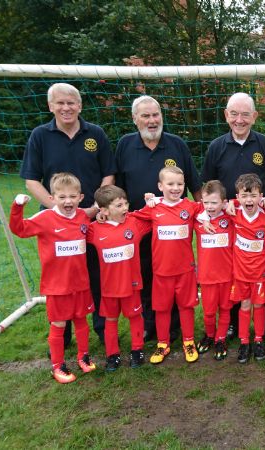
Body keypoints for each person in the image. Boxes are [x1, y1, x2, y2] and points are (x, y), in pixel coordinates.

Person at [20, 83, 115, 346]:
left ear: (80, 105)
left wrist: (95, 207)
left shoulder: (95, 133)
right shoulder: (40, 136)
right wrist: (57, 209)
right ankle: (62, 337)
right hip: (55, 225)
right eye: (60, 103)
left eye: (71, 103)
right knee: (61, 280)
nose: (66, 108)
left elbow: (108, 173)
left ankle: (100, 330)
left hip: (92, 218)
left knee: (95, 275)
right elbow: (31, 180)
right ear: (50, 106)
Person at [115, 95, 202, 345]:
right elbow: (118, 186)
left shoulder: (176, 145)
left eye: (156, 115)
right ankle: (149, 324)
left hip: (172, 227)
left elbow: (195, 185)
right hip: (140, 226)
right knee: (142, 275)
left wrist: (206, 215)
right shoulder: (124, 145)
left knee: (175, 276)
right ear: (135, 119)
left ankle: (174, 327)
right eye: (146, 116)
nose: (152, 121)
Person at [202, 92, 265, 341]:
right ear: (226, 116)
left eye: (245, 114)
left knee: (261, 267)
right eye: (234, 114)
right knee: (235, 269)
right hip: (230, 219)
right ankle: (234, 322)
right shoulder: (216, 146)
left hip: (260, 218)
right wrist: (209, 213)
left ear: (255, 117)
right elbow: (208, 184)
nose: (239, 119)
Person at [9, 172, 97, 384]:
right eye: (62, 197)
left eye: (72, 197)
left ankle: (83, 357)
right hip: (57, 286)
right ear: (52, 198)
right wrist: (17, 207)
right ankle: (57, 366)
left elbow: (92, 233)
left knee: (81, 321)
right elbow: (18, 229)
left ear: (80, 197)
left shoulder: (83, 217)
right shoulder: (45, 218)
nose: (68, 201)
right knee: (58, 324)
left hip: (81, 283)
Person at [130, 166, 202, 364]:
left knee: (186, 306)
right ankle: (163, 343)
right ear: (160, 186)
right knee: (162, 308)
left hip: (185, 270)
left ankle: (189, 341)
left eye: (180, 184)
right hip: (161, 270)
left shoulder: (191, 206)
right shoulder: (153, 208)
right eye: (170, 184)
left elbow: (215, 206)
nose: (175, 188)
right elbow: (129, 219)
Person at [87, 185, 151, 371]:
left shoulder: (134, 223)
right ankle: (112, 354)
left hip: (132, 285)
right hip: (109, 288)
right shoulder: (94, 229)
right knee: (110, 320)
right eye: (118, 205)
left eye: (125, 203)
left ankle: (137, 350)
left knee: (135, 316)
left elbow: (154, 218)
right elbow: (76, 228)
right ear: (104, 210)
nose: (124, 208)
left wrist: (151, 202)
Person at [227, 174, 265, 363]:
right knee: (245, 305)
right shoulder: (233, 212)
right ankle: (244, 341)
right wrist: (228, 202)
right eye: (244, 196)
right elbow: (206, 207)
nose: (249, 200)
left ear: (260, 196)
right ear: (238, 198)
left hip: (260, 272)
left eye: (253, 196)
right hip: (241, 273)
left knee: (259, 305)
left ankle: (259, 339)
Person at [193, 180, 235, 361]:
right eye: (206, 202)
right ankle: (209, 335)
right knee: (209, 311)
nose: (209, 206)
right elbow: (182, 207)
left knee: (225, 309)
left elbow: (248, 202)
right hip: (207, 276)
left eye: (214, 202)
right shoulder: (198, 220)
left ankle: (220, 338)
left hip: (227, 275)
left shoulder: (231, 217)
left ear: (224, 203)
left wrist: (232, 203)